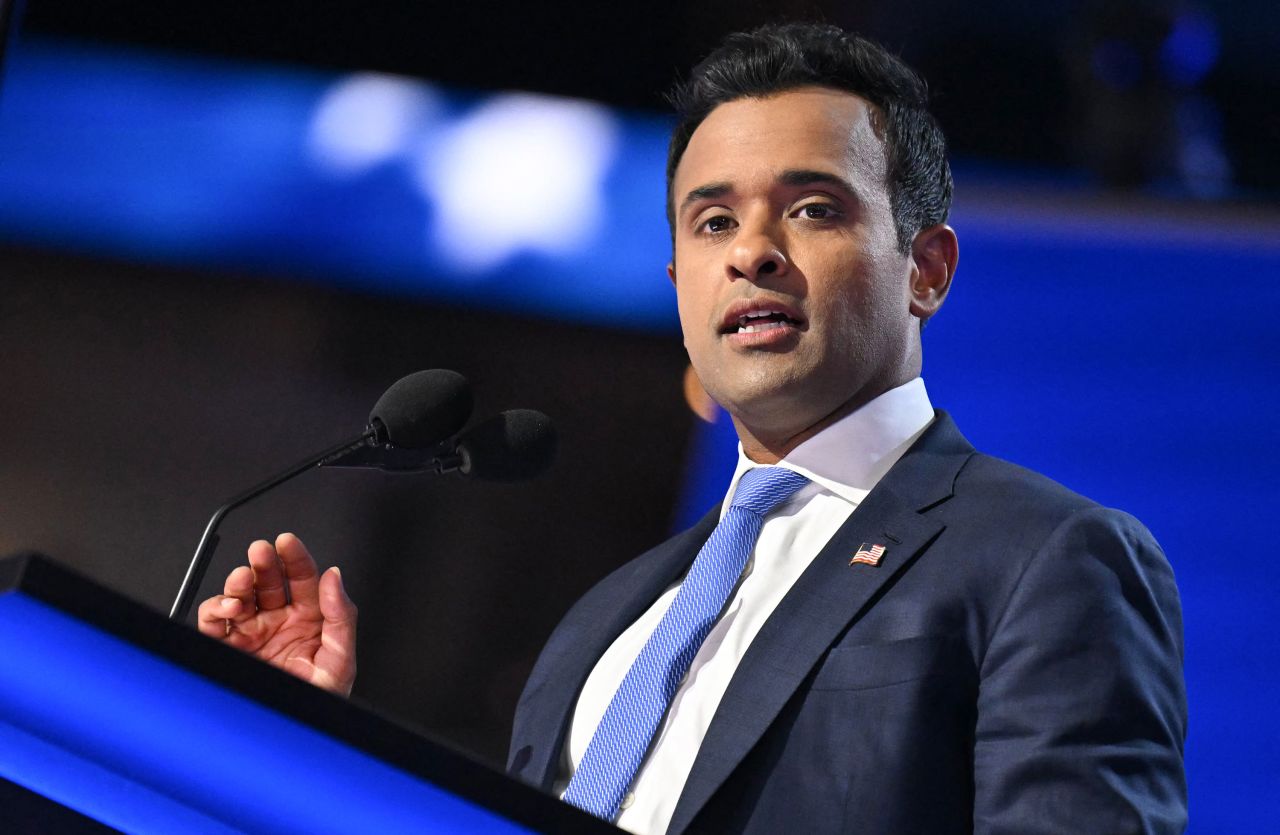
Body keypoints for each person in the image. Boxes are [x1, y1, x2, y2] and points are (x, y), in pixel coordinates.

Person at [199, 22, 1187, 834]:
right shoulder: (608, 619)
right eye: (710, 222)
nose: (751, 251)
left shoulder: (1045, 560)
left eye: (811, 208)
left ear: (924, 267)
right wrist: (299, 740)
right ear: (677, 284)